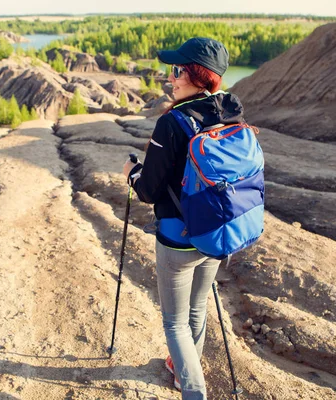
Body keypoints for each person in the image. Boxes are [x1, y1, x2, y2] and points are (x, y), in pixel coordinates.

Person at [122, 37, 246, 399]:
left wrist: (132, 172)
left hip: (177, 238)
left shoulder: (172, 123)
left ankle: (194, 391)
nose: (171, 78)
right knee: (197, 308)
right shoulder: (230, 113)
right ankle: (180, 370)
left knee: (174, 323)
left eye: (177, 71)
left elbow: (147, 190)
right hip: (214, 232)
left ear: (197, 75)